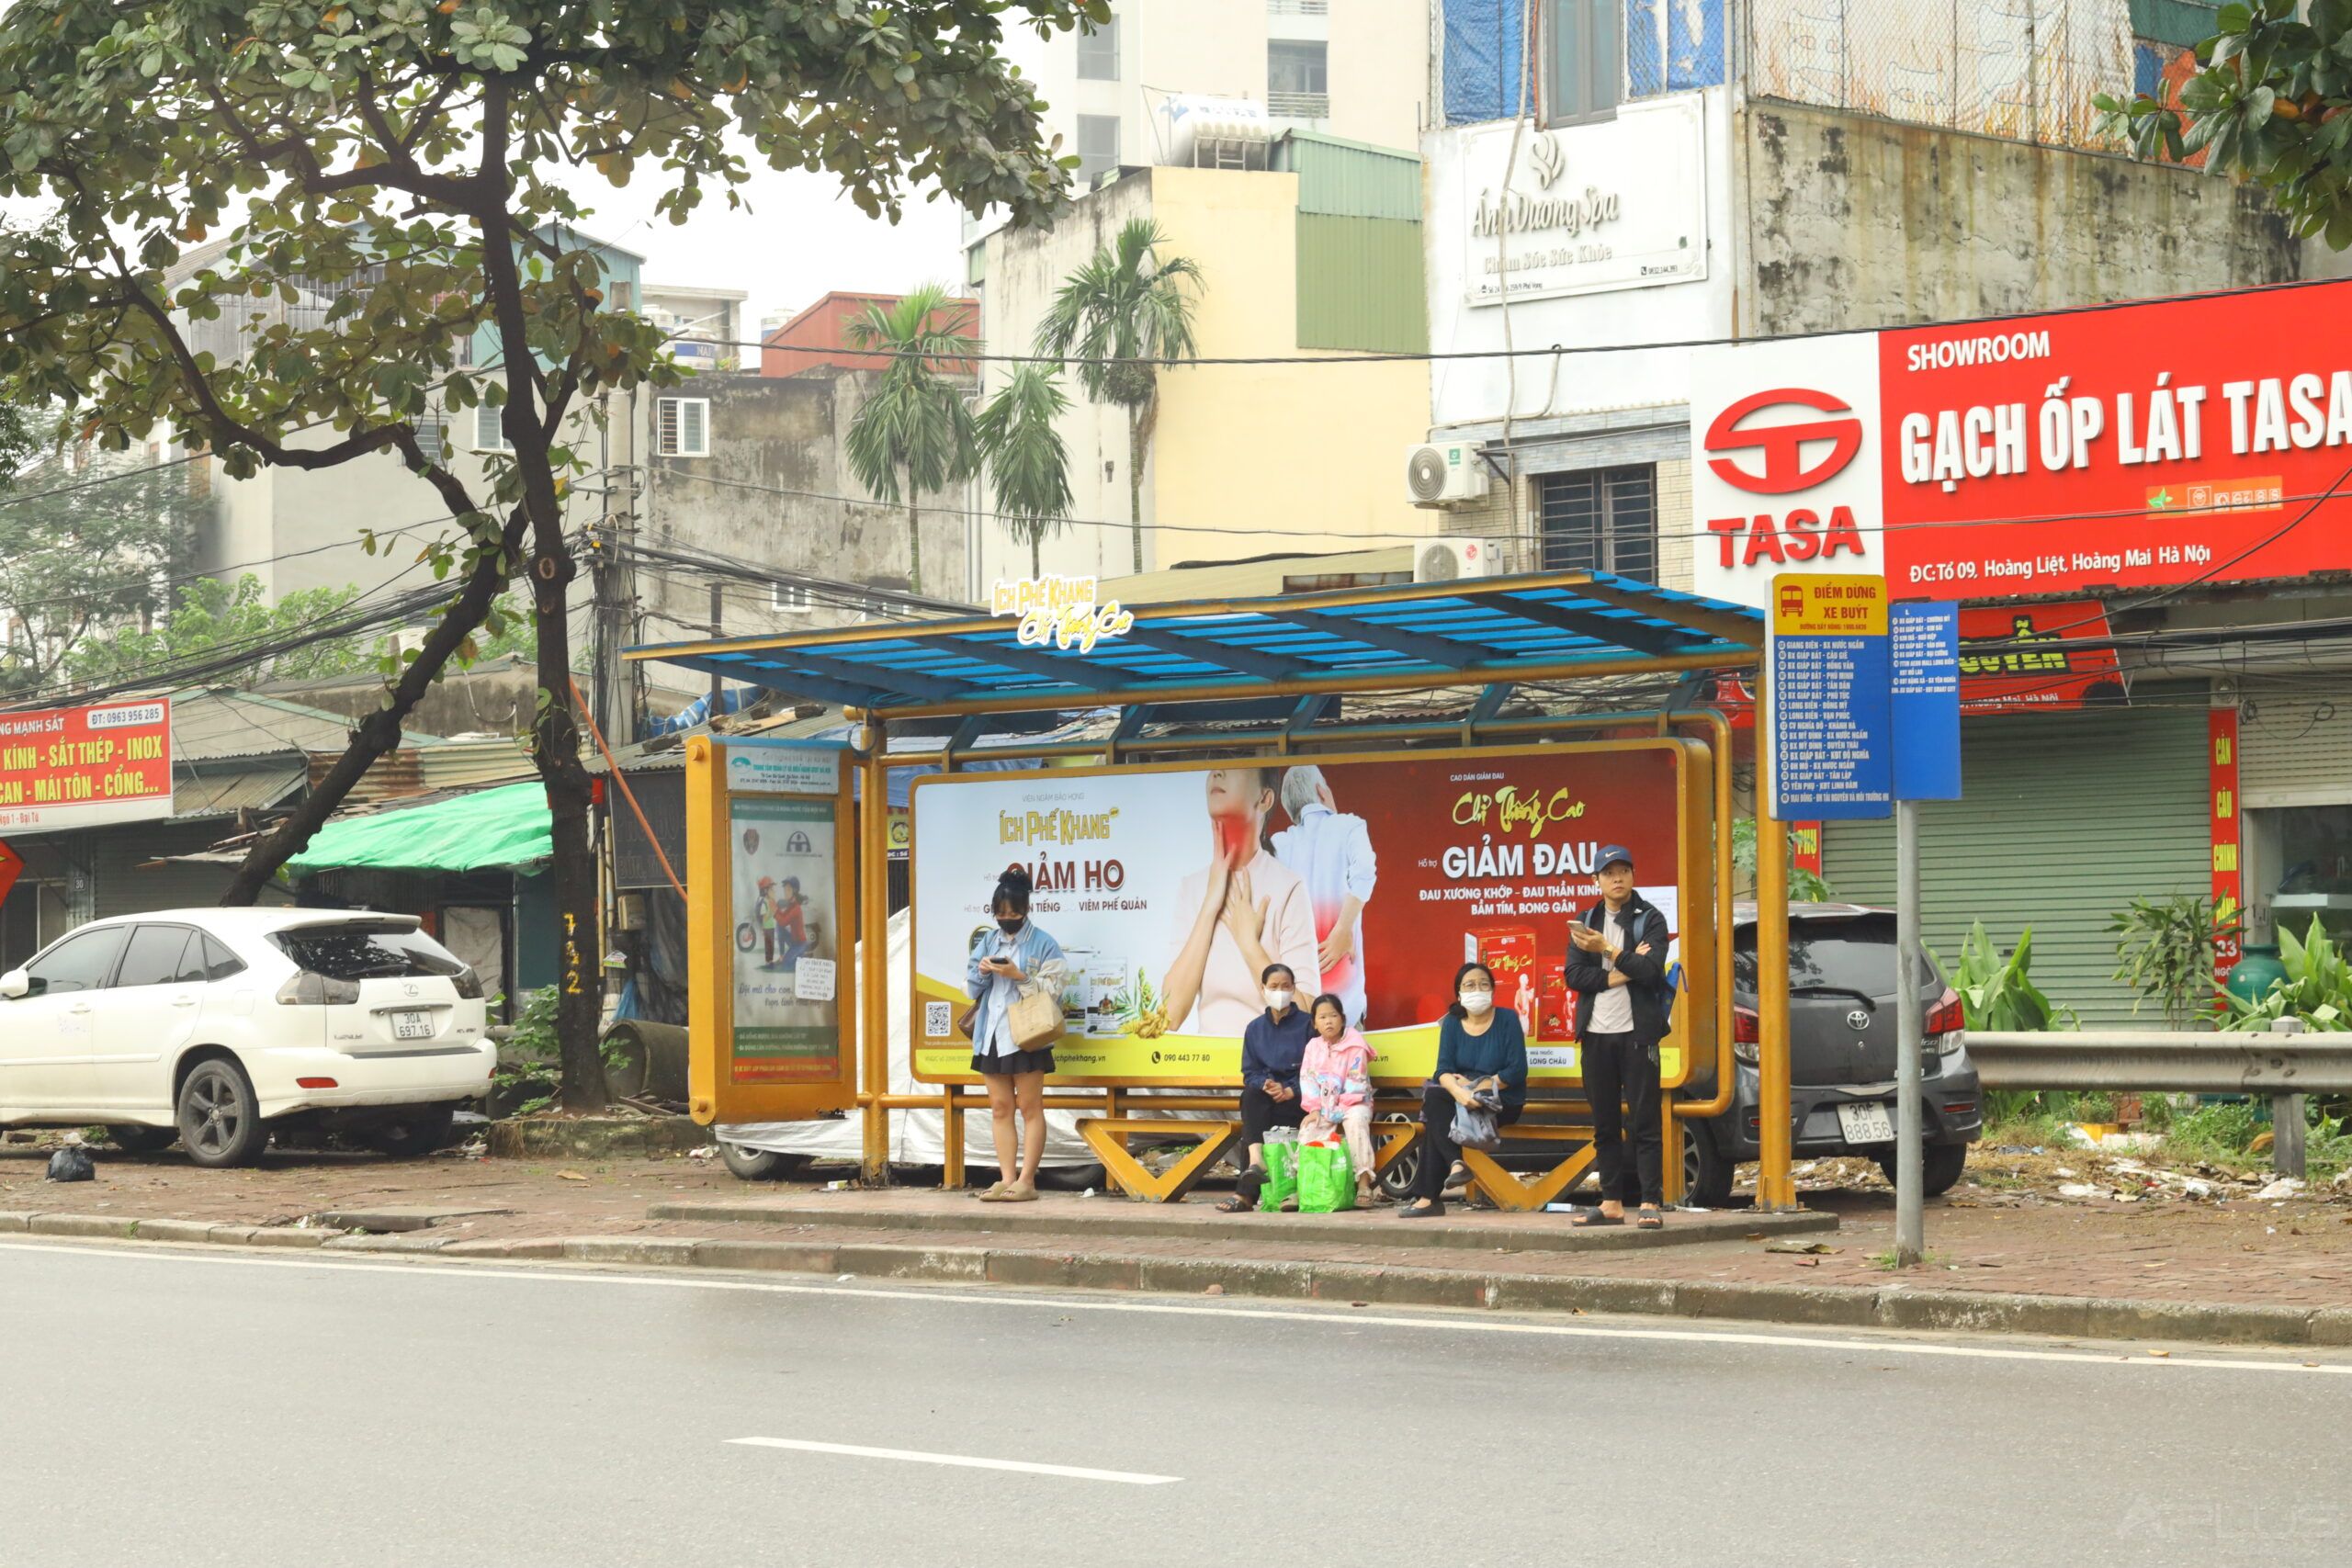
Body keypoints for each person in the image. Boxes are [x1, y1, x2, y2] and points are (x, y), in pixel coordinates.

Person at [1161, 767, 1321, 1038]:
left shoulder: (1287, 887)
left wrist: (1249, 945)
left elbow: (1307, 1016)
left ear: (1265, 799)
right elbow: (1170, 1015)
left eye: (1233, 764)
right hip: (1208, 1073)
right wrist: (1210, 906)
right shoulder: (1193, 888)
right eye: (1212, 767)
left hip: (1272, 1073)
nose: (1217, 772)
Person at [1562, 844, 1673, 1230]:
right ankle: (1611, 1202)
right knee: (1604, 1123)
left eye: (1624, 870)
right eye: (1609, 873)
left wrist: (1607, 949)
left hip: (1638, 1034)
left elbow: (1653, 969)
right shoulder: (1584, 920)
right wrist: (1623, 969)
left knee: (1645, 1121)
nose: (1617, 878)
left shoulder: (1650, 919)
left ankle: (1650, 1201)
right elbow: (1574, 976)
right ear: (1596, 880)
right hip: (1595, 1035)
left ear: (1633, 876)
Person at [965, 866, 1069, 1203]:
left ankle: (1027, 1181)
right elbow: (970, 988)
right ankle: (1006, 1179)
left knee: (1030, 1107)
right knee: (999, 1107)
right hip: (991, 1034)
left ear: (1026, 910)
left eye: (1013, 913)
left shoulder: (1044, 943)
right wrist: (982, 971)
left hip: (1027, 1034)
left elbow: (1054, 991)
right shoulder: (987, 940)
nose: (1006, 918)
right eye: (1000, 913)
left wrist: (1019, 975)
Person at [1399, 962, 1527, 1219]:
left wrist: (1479, 1086)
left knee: (1437, 1120)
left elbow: (1516, 1070)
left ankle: (1429, 1198)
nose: (1477, 989)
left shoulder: (1507, 1019)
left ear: (1492, 990)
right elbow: (1442, 1070)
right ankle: (1456, 1164)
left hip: (1499, 1100)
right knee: (1436, 1098)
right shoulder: (1452, 1024)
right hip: (1462, 1099)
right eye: (1470, 985)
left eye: (1483, 984)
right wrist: (1460, 1094)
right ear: (1459, 994)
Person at [1270, 765, 1378, 1026]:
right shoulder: (1349, 826)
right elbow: (1364, 871)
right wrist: (1343, 929)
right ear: (1322, 790)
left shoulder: (1279, 844)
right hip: (1346, 1007)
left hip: (1299, 1005)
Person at [1216, 964, 1314, 1213]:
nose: (1279, 991)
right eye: (1273, 987)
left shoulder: (1308, 1025)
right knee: (1251, 1097)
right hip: (1267, 1099)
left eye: (1285, 986)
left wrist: (1292, 1089)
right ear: (1262, 989)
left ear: (1293, 989)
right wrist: (1266, 1085)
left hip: (1299, 1100)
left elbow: (1316, 1069)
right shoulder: (1255, 1028)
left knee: (1255, 1121)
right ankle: (1255, 1166)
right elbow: (1250, 1072)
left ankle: (1246, 1193)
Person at [1300, 991, 1379, 1207]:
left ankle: (1363, 1184)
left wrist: (1339, 1108)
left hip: (1354, 1103)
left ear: (1342, 1019)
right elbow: (1307, 1079)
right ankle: (1307, 1185)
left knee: (1355, 1123)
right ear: (1314, 1023)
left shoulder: (1355, 1044)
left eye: (1333, 1016)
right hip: (1324, 1106)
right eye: (1322, 1017)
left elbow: (1357, 1081)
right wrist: (1315, 1109)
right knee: (1309, 1127)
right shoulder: (1312, 1047)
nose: (1328, 1021)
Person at [753, 875, 778, 964]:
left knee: (771, 944)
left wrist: (774, 911)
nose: (773, 891)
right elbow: (764, 917)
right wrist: (772, 912)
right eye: (771, 889)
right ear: (765, 891)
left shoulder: (770, 901)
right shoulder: (764, 902)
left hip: (771, 926)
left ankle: (770, 960)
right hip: (767, 927)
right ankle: (768, 961)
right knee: (768, 945)